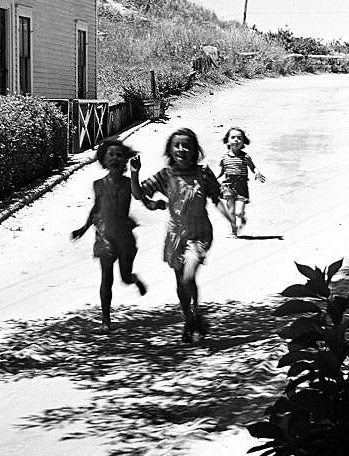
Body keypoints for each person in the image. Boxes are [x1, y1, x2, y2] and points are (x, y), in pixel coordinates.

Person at [130, 127, 233, 345]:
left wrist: (230, 217)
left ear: (195, 150)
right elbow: (139, 193)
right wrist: (134, 173)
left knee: (188, 276)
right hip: (175, 235)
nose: (181, 149)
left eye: (187, 145)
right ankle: (190, 320)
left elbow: (216, 198)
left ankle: (194, 315)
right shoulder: (166, 175)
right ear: (170, 150)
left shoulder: (203, 173)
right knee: (182, 283)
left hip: (199, 233)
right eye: (177, 145)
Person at [71, 138, 152, 333]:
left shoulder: (127, 183)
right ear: (103, 160)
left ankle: (134, 279)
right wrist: (83, 229)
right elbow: (96, 208)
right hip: (104, 236)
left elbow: (137, 193)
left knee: (124, 277)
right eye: (110, 154)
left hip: (124, 237)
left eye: (119, 155)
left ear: (125, 160)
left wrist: (135, 173)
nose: (115, 158)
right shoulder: (98, 185)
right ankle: (105, 320)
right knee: (106, 278)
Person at [218, 126, 266, 235]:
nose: (236, 140)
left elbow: (253, 167)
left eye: (239, 138)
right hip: (228, 187)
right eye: (233, 137)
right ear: (228, 141)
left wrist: (257, 172)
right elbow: (222, 172)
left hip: (241, 186)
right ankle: (233, 229)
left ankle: (242, 217)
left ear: (243, 141)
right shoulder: (224, 158)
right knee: (230, 211)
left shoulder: (245, 157)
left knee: (238, 212)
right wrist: (215, 180)